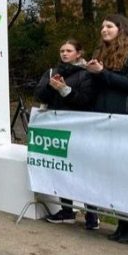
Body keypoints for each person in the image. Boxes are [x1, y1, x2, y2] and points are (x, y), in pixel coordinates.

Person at [86, 14, 128, 244]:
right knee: (115, 176)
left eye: (109, 26)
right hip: (107, 120)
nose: (104, 29)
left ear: (122, 29)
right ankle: (122, 224)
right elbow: (101, 85)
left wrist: (103, 73)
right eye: (102, 26)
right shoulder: (102, 52)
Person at [33, 39, 99, 228]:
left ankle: (92, 215)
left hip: (79, 130)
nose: (64, 54)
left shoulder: (86, 74)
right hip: (56, 129)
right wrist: (50, 86)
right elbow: (39, 94)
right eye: (62, 50)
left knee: (83, 171)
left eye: (69, 50)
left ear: (78, 53)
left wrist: (64, 90)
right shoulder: (52, 72)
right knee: (63, 169)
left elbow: (85, 101)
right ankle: (66, 210)